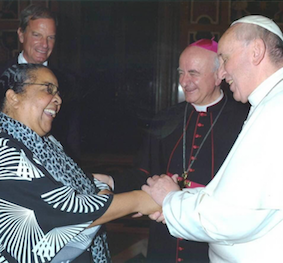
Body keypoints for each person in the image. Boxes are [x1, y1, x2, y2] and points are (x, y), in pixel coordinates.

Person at [142, 15, 283, 263]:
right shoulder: (267, 105)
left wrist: (172, 202)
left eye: (226, 59)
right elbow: (235, 197)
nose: (224, 71)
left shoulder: (276, 110)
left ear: (256, 52)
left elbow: (237, 215)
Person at [94, 39, 250, 262]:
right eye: (181, 72)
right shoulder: (167, 118)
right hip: (164, 239)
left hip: (212, 243)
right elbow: (143, 172)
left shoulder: (243, 121)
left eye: (193, 73)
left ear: (218, 76)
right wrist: (110, 181)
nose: (184, 81)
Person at [0, 64, 160, 263]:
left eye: (58, 92)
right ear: (14, 97)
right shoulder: (4, 150)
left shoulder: (44, 142)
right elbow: (62, 211)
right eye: (48, 89)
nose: (58, 99)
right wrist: (139, 200)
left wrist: (100, 192)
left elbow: (80, 184)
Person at [0, 4, 81, 163]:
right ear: (21, 35)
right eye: (37, 35)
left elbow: (72, 139)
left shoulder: (68, 82)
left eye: (50, 37)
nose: (44, 44)